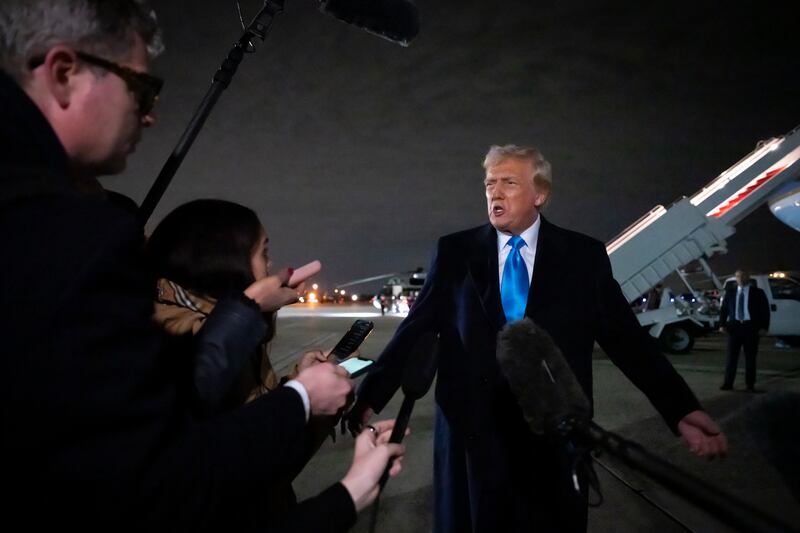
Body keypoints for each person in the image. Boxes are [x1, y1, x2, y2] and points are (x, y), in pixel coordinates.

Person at [0, 1, 404, 531]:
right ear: (64, 73)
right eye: (141, 89)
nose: (149, 114)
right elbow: (156, 485)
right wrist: (334, 463)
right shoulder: (63, 237)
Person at [348, 144, 728, 533]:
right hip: (473, 436)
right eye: (489, 183)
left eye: (509, 183)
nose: (495, 192)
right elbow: (417, 329)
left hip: (553, 439)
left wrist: (680, 409)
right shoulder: (455, 251)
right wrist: (370, 396)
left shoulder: (583, 256)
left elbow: (628, 340)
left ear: (539, 194)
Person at [718, 269, 770, 392]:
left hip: (751, 329)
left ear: (748, 277)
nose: (740, 279)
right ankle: (728, 383)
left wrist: (764, 327)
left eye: (742, 276)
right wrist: (722, 324)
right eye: (737, 276)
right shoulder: (730, 292)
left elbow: (765, 311)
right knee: (731, 357)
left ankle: (750, 385)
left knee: (750, 358)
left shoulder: (757, 293)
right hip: (734, 328)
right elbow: (724, 310)